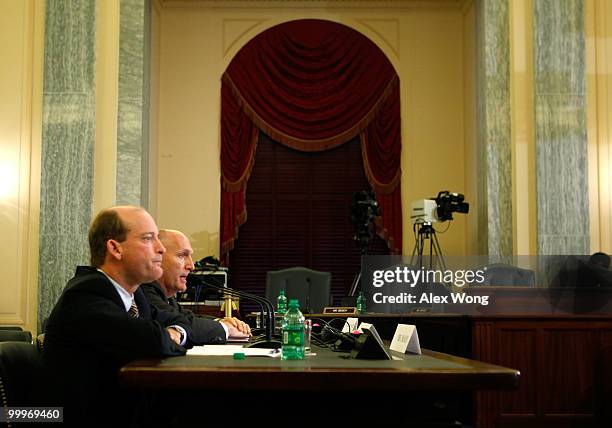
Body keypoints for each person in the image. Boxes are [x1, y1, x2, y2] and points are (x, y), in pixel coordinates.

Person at [41, 206, 193, 426]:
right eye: (149, 239)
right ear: (115, 248)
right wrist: (166, 336)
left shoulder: (136, 296)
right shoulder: (86, 294)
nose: (160, 249)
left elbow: (161, 335)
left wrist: (169, 335)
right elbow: (155, 340)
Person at [141, 229, 251, 344]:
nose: (192, 266)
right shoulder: (143, 289)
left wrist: (221, 322)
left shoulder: (166, 296)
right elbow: (177, 320)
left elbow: (186, 317)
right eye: (182, 256)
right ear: (157, 258)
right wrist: (226, 328)